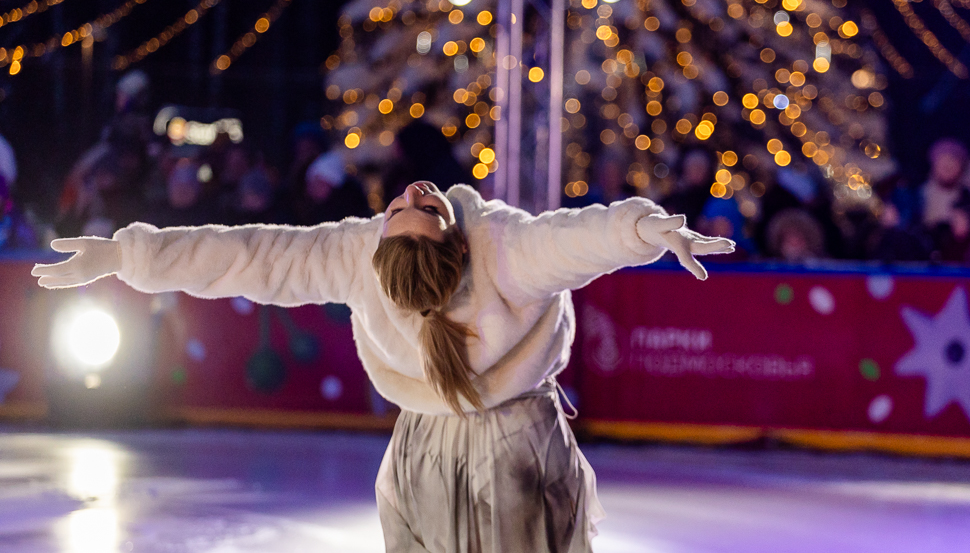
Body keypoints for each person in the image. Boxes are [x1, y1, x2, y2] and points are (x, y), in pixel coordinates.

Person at [31, 181, 733, 552]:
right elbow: (578, 238)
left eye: (404, 207)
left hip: (429, 455)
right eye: (416, 206)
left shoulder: (363, 256)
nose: (411, 194)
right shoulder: (497, 246)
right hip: (513, 449)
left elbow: (249, 256)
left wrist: (131, 255)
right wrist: (647, 228)